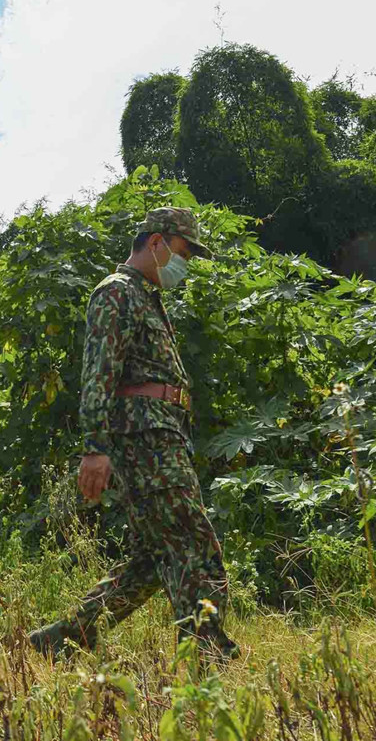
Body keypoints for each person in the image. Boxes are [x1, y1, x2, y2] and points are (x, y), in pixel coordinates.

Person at [28, 207, 239, 661]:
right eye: (184, 252)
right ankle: (204, 658)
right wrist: (96, 448)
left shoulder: (148, 298)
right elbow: (99, 374)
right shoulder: (116, 294)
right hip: (144, 439)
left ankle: (67, 637)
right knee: (196, 547)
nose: (186, 264)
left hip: (162, 437)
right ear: (158, 242)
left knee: (151, 558)